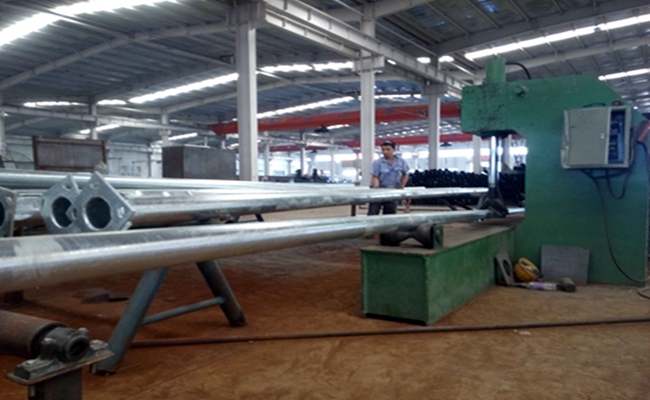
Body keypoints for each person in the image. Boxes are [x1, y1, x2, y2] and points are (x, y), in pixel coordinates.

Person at [367, 140, 410, 215]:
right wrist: (377, 188)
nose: (385, 152)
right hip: (378, 191)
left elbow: (405, 174)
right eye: (383, 150)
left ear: (394, 150)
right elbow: (375, 176)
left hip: (393, 191)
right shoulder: (377, 163)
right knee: (373, 212)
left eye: (388, 149)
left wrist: (401, 186)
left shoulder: (401, 161)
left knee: (390, 213)